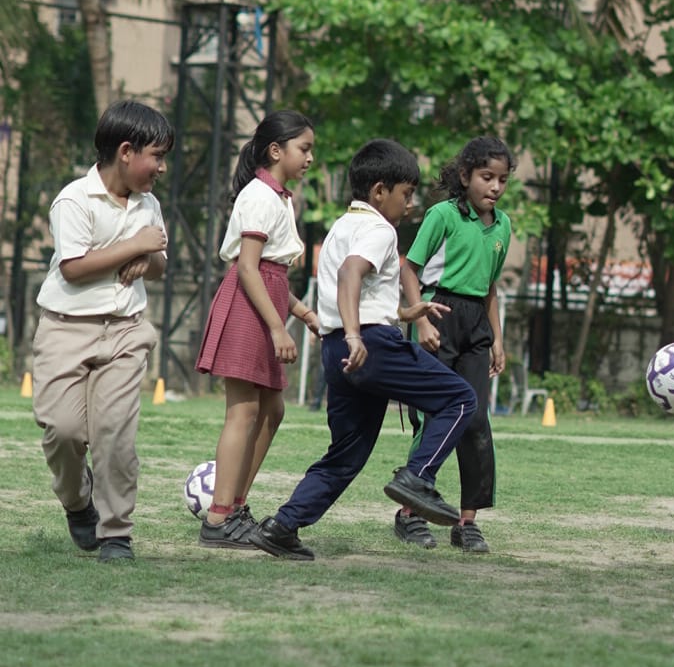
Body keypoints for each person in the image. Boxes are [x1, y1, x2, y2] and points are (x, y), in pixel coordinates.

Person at [250, 139, 476, 561]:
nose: (409, 205)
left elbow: (359, 289)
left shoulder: (342, 226)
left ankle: (283, 526)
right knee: (460, 399)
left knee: (346, 454)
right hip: (367, 346)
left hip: (337, 350)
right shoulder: (378, 229)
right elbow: (352, 275)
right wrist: (358, 335)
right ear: (378, 191)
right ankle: (418, 478)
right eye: (405, 194)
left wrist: (407, 312)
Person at [32, 100, 173, 563]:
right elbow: (73, 268)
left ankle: (117, 534)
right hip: (66, 329)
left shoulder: (148, 203)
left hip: (126, 330)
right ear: (127, 152)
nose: (162, 167)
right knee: (63, 430)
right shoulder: (74, 200)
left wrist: (147, 257)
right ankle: (78, 501)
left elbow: (157, 265)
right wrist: (134, 245)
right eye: (156, 156)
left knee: (115, 433)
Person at [194, 111, 320, 549]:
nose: (309, 158)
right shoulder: (260, 196)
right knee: (243, 412)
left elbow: (273, 271)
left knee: (272, 411)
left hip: (266, 298)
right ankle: (218, 518)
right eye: (303, 149)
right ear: (275, 150)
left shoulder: (280, 197)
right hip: (249, 307)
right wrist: (277, 329)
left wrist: (300, 313)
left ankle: (235, 506)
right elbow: (248, 269)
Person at [398, 135, 514, 553]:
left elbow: (490, 288)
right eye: (487, 177)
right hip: (438, 314)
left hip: (476, 326)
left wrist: (498, 339)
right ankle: (409, 511)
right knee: (435, 417)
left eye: (502, 179)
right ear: (465, 176)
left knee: (477, 420)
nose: (495, 187)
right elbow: (408, 268)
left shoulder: (503, 225)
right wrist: (420, 315)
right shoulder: (442, 215)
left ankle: (467, 522)